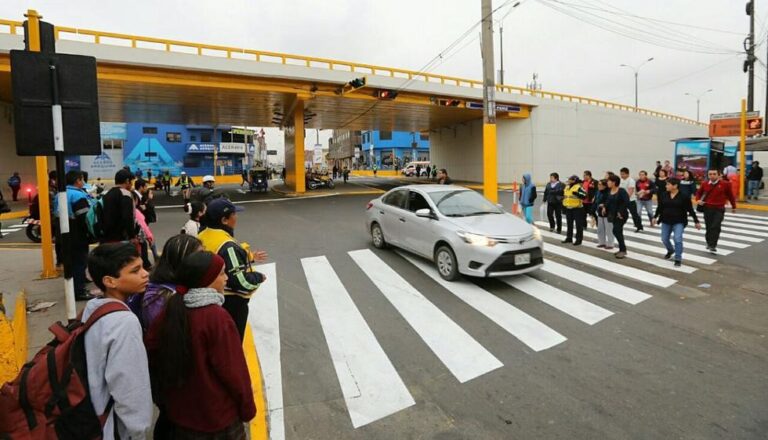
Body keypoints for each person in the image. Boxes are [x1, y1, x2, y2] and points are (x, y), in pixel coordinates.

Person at [146, 252, 256, 439]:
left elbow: (151, 358)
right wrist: (247, 409)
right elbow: (234, 372)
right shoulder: (216, 317)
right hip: (217, 420)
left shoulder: (170, 311)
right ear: (207, 279)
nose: (226, 278)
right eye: (222, 274)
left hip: (179, 417)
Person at [83, 242, 153, 439]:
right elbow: (130, 387)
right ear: (110, 281)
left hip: (90, 417)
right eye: (135, 270)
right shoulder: (124, 322)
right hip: (111, 428)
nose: (145, 274)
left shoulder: (92, 308)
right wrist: (139, 431)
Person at [198, 198, 268, 339]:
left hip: (208, 299)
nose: (237, 217)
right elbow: (241, 282)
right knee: (232, 346)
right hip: (231, 304)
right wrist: (258, 277)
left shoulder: (202, 236)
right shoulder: (227, 244)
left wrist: (250, 257)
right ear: (224, 220)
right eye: (234, 214)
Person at [54, 170, 95, 301]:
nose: (83, 182)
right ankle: (79, 291)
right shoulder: (78, 196)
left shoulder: (59, 195)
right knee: (79, 262)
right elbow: (84, 218)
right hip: (77, 233)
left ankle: (73, 287)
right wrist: (91, 233)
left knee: (70, 262)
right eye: (82, 179)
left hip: (63, 232)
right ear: (78, 180)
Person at [652, 177, 702, 267]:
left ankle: (678, 258)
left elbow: (690, 209)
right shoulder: (664, 195)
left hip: (679, 221)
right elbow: (660, 207)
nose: (666, 186)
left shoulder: (684, 196)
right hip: (666, 220)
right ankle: (671, 250)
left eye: (668, 184)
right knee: (664, 239)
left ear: (675, 186)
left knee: (677, 239)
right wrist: (655, 217)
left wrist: (696, 221)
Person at [695, 169, 737, 254]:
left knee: (716, 226)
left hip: (719, 209)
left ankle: (713, 245)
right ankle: (709, 242)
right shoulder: (705, 184)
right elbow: (698, 193)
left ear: (718, 175)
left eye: (714, 174)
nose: (712, 176)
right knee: (709, 227)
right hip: (707, 208)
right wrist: (698, 200)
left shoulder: (725, 184)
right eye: (710, 174)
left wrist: (734, 206)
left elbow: (730, 196)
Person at [101, 169, 137, 244]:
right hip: (120, 238)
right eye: (132, 182)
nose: (132, 185)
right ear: (127, 181)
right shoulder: (125, 194)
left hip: (106, 236)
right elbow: (128, 217)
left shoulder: (107, 194)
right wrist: (132, 236)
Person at [605, 174, 630, 258]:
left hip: (621, 215)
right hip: (613, 214)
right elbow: (608, 201)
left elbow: (626, 202)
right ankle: (621, 249)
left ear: (614, 182)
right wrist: (604, 207)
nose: (607, 182)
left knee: (616, 230)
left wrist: (620, 211)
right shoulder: (610, 191)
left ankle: (623, 250)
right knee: (618, 231)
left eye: (609, 181)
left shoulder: (621, 191)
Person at [562, 175, 586, 245]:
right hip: (569, 208)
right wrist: (563, 207)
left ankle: (579, 239)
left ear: (574, 180)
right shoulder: (567, 187)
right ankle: (569, 238)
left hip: (577, 209)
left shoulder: (579, 187)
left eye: (570, 179)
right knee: (569, 224)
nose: (569, 180)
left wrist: (578, 194)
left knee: (578, 225)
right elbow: (565, 197)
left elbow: (584, 195)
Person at [133, 192, 154, 270]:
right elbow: (143, 226)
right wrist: (149, 236)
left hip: (128, 236)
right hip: (138, 235)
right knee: (143, 246)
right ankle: (145, 264)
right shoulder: (136, 211)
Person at [619, 167, 643, 232]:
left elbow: (630, 191)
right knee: (622, 213)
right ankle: (620, 225)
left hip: (630, 200)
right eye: (621, 174)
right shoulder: (620, 180)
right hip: (622, 201)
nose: (622, 175)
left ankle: (639, 226)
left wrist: (625, 199)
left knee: (634, 214)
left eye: (623, 174)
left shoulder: (631, 181)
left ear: (627, 174)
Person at [594, 179, 614, 249]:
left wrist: (604, 205)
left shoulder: (609, 192)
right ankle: (602, 242)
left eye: (600, 184)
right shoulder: (598, 192)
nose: (598, 186)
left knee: (609, 229)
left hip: (608, 213)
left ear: (605, 186)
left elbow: (611, 201)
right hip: (599, 212)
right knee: (600, 229)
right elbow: (596, 201)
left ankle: (610, 244)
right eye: (598, 184)